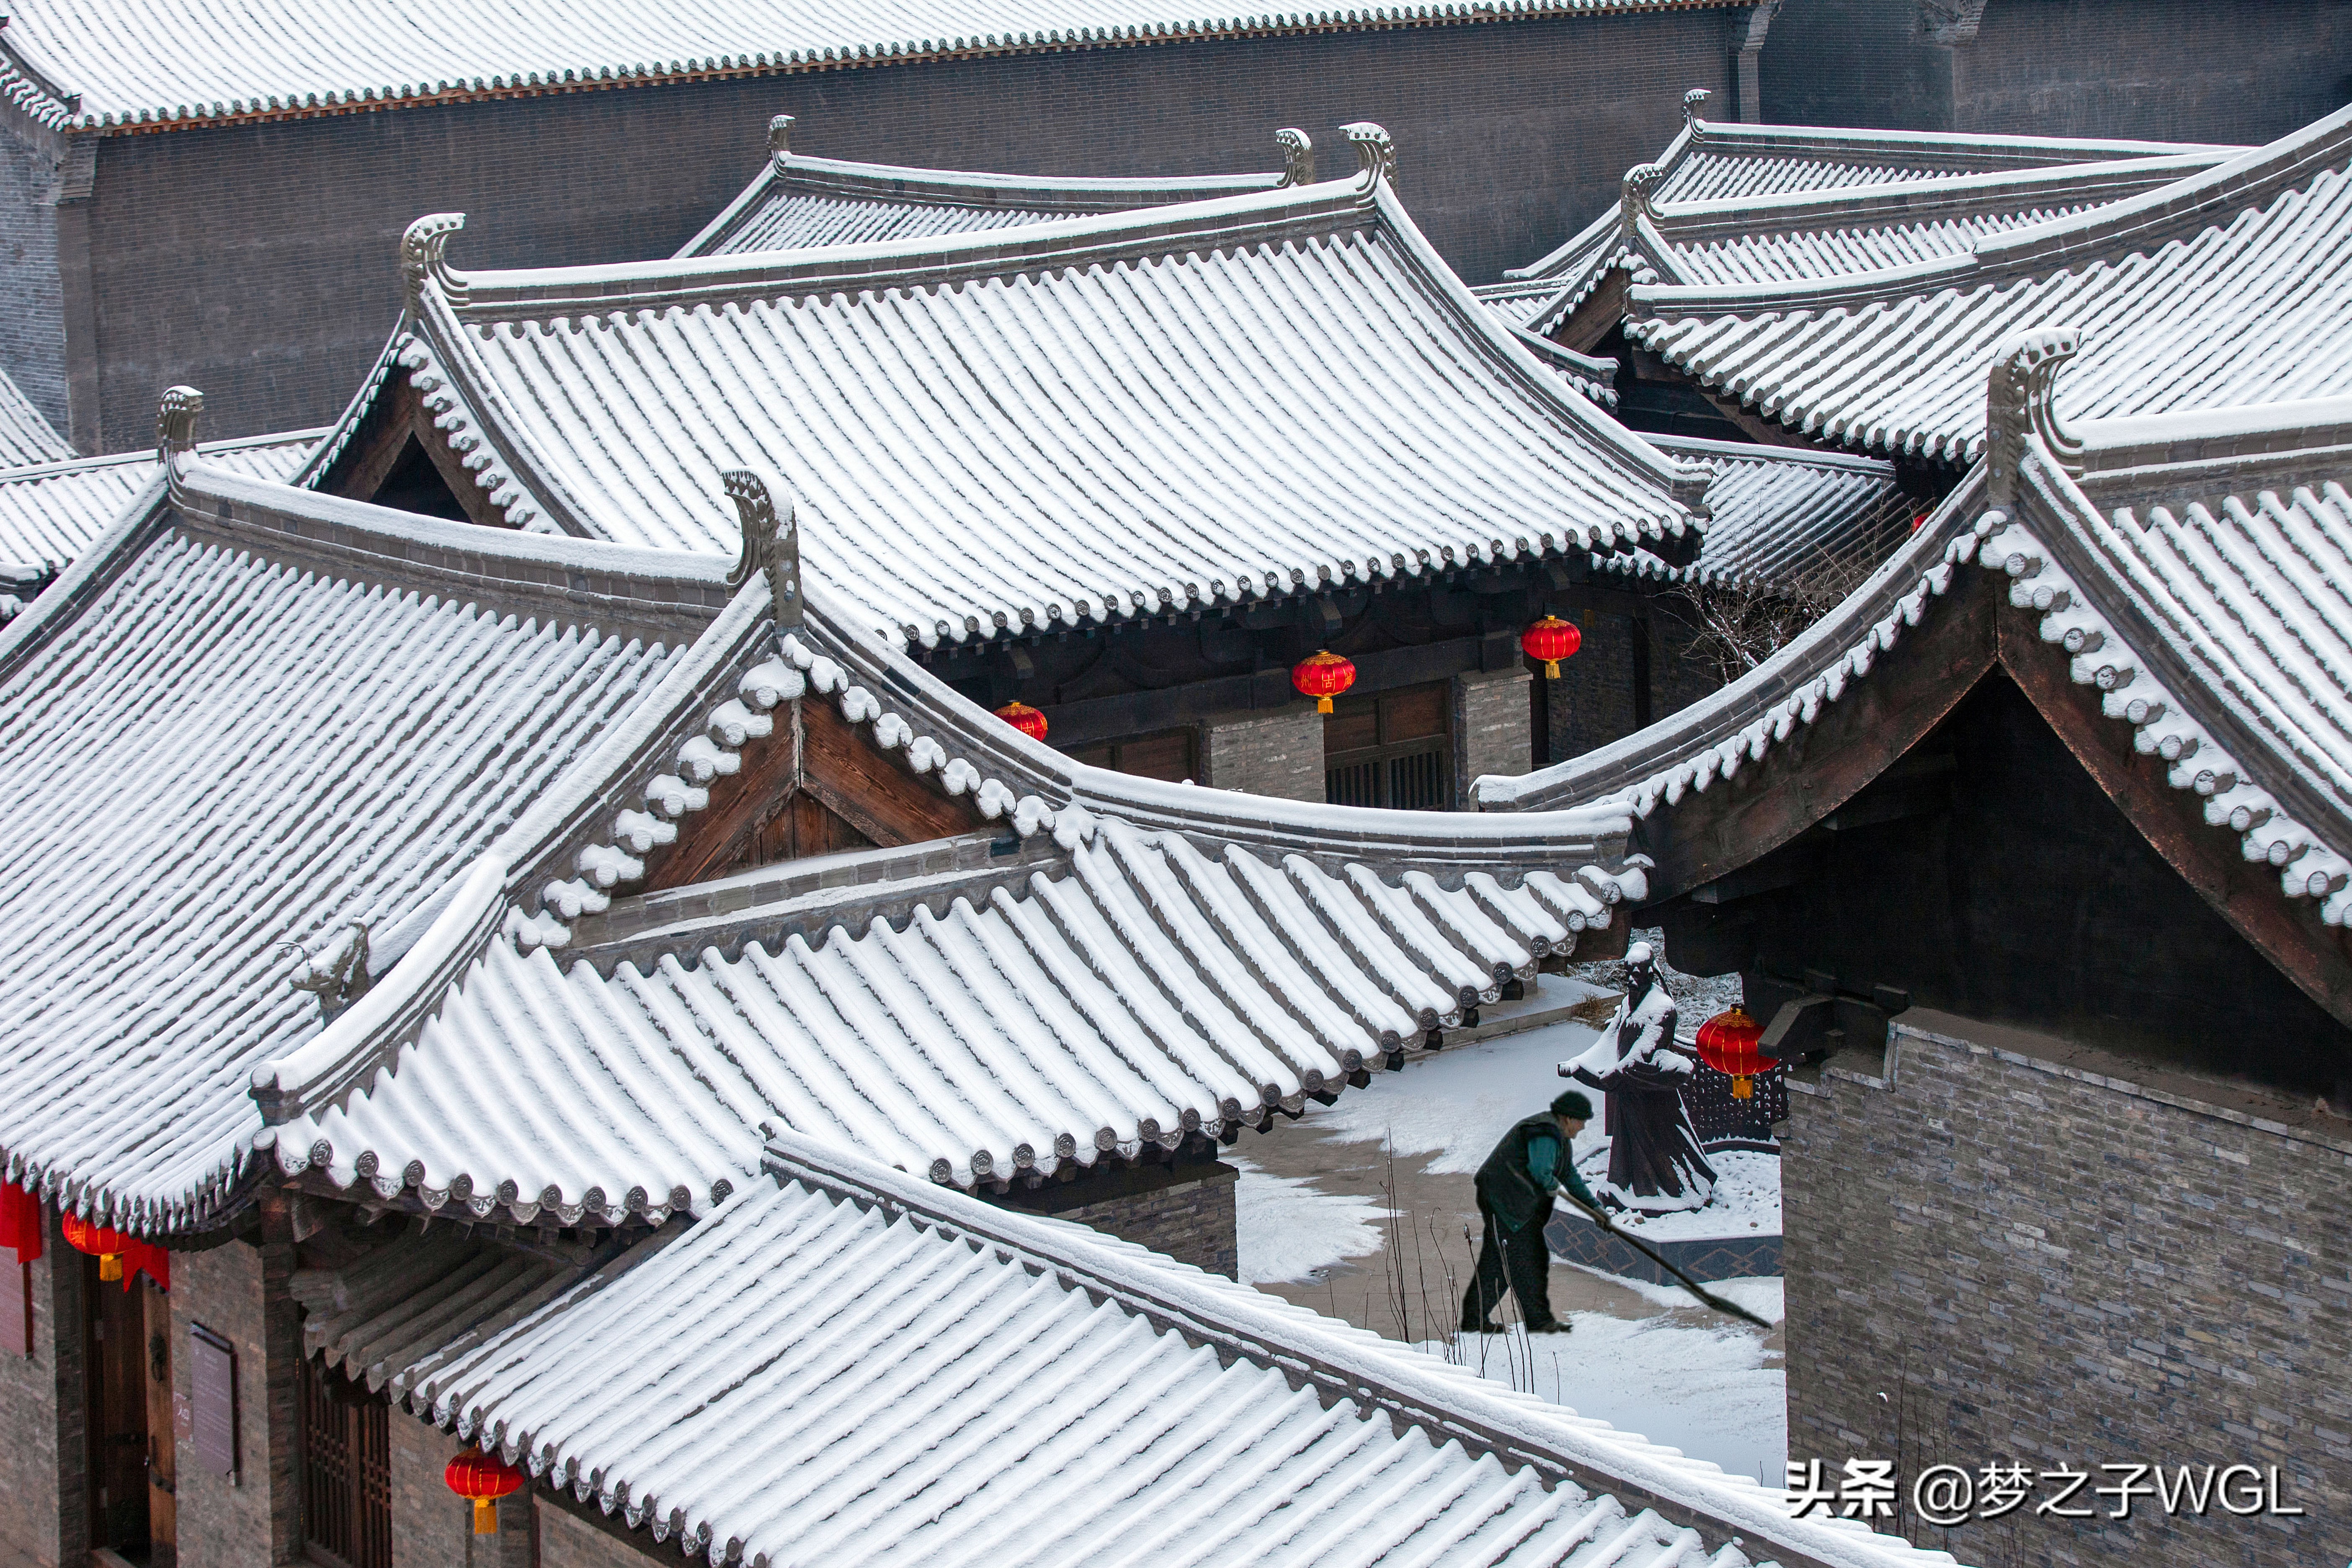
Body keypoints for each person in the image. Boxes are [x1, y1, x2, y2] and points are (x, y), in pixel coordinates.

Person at [1560, 941, 1716, 1213]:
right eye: (1629, 972)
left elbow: (1644, 1052)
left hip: (1651, 1087)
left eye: (1638, 972)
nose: (1632, 979)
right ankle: (1626, 1185)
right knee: (1629, 1141)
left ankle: (1671, 1190)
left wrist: (1615, 1073)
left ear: (1650, 972)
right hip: (1629, 1088)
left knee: (1663, 1142)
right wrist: (1579, 1063)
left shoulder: (1662, 1007)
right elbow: (1609, 1041)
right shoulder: (1627, 1003)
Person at [1461, 1088, 1600, 1335]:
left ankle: (1475, 1319)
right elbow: (1540, 1171)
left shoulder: (1559, 1138)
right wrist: (1550, 1183)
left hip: (1513, 1203)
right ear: (1568, 1118)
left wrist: (1595, 1207)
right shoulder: (1545, 1133)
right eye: (1580, 1121)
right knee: (1527, 1260)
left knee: (1499, 1262)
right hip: (1506, 1204)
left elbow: (1568, 1174)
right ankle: (1537, 1321)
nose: (1582, 1128)